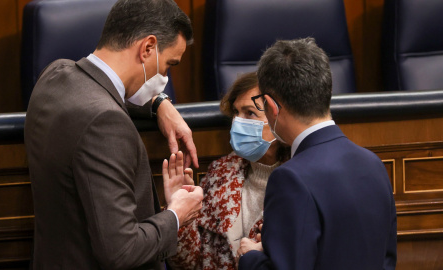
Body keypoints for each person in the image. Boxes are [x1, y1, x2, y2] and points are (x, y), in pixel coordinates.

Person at [24, 0, 204, 269]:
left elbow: (103, 92)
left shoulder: (55, 74)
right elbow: (121, 251)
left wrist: (158, 103)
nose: (165, 76)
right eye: (169, 65)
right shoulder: (106, 123)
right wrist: (176, 214)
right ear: (148, 48)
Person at [238, 38, 397, 270]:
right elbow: (386, 261)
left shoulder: (290, 179)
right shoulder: (373, 163)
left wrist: (250, 257)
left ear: (272, 107)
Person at [169, 72, 289, 270]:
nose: (237, 122)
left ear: (277, 117)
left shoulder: (301, 179)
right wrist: (179, 215)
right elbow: (186, 264)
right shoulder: (219, 174)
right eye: (236, 112)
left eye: (250, 113)